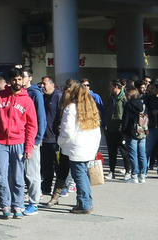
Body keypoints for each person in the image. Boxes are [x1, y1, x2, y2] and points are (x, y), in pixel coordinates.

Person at [0, 67, 37, 219]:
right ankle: (5, 205)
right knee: (1, 177)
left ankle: (18, 205)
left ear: (23, 80)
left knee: (18, 178)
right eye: (14, 79)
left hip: (19, 143)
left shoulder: (27, 100)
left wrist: (28, 147)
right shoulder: (0, 97)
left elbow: (32, 125)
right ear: (10, 81)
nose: (17, 82)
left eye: (20, 79)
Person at [56, 81, 101, 214]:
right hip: (89, 147)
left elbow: (67, 131)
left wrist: (60, 141)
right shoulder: (91, 108)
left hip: (76, 148)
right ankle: (85, 201)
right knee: (83, 175)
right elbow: (97, 129)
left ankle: (85, 204)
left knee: (79, 175)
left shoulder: (71, 108)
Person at [20, 68, 47, 215]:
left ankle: (34, 203)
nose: (21, 80)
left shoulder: (35, 94)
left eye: (23, 77)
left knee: (32, 172)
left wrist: (37, 139)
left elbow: (41, 118)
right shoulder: (19, 93)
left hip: (32, 139)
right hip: (19, 138)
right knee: (21, 172)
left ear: (30, 78)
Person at [122, 86, 148, 182]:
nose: (125, 95)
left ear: (130, 94)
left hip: (131, 132)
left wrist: (123, 131)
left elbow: (126, 120)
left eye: (127, 94)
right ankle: (143, 175)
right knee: (142, 154)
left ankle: (134, 175)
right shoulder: (142, 104)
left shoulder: (129, 105)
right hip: (142, 131)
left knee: (133, 155)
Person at [102, 80, 127, 179]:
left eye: (111, 86)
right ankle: (111, 171)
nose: (109, 88)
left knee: (124, 151)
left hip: (120, 128)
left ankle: (128, 170)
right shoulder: (111, 98)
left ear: (116, 87)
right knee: (111, 152)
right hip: (110, 128)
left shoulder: (124, 99)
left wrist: (124, 127)